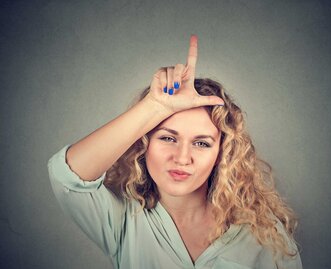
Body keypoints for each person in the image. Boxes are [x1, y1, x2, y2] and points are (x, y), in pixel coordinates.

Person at [48, 35, 302, 269]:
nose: (181, 158)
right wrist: (155, 106)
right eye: (168, 138)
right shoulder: (124, 219)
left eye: (201, 143)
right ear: (143, 144)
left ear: (222, 154)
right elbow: (67, 176)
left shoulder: (264, 235)